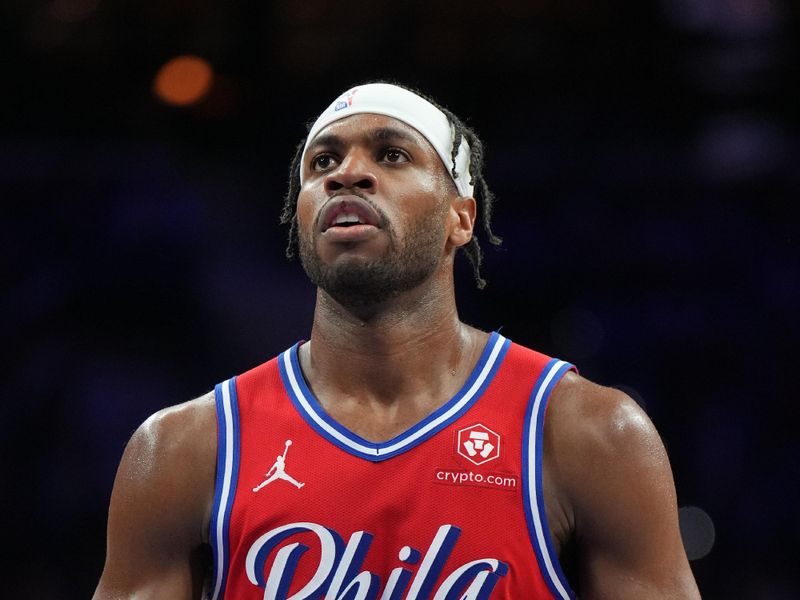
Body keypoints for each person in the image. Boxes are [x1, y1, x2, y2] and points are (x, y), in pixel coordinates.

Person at [93, 82, 701, 599]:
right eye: (322, 163)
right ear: (301, 216)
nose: (348, 174)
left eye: (390, 154)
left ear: (461, 217)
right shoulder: (183, 449)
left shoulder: (587, 433)